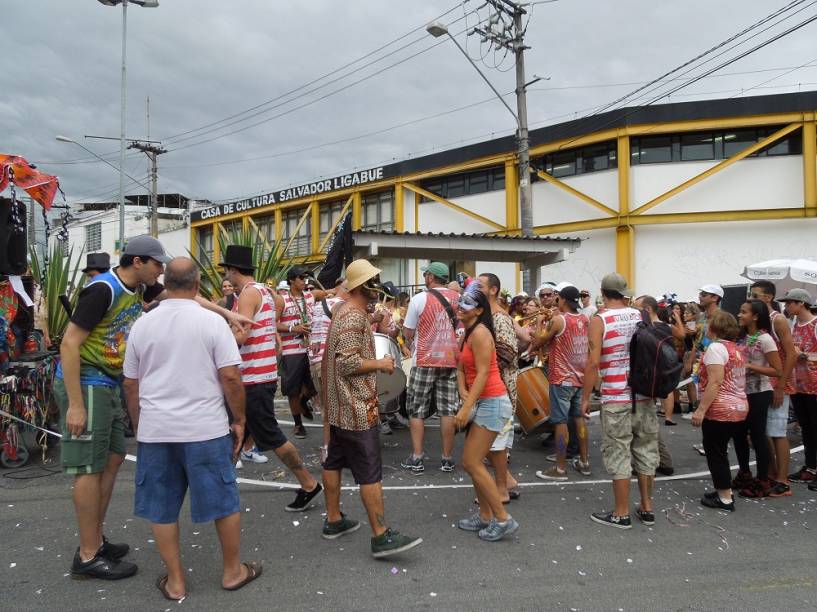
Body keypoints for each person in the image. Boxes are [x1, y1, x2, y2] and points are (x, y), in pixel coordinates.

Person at [122, 258, 261, 601]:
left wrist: (140, 425)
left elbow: (130, 383)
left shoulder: (143, 325)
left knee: (161, 507)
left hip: (157, 429)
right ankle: (232, 571)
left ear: (166, 284)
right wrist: (239, 420)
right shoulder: (212, 323)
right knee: (223, 501)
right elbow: (231, 377)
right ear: (198, 285)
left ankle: (175, 581)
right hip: (205, 429)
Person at [55, 236, 169, 580]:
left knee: (114, 457)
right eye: (157, 264)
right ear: (138, 262)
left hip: (107, 383)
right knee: (89, 467)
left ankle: (95, 538)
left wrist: (227, 314)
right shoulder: (103, 289)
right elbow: (69, 343)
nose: (161, 270)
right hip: (86, 383)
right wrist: (76, 405)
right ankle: (88, 555)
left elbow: (184, 295)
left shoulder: (140, 287)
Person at [321, 259, 422, 558]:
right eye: (373, 282)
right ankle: (380, 536)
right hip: (355, 407)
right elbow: (346, 363)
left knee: (333, 462)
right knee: (369, 473)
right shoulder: (353, 316)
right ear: (362, 286)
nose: (377, 287)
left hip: (339, 406)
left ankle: (334, 520)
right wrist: (381, 363)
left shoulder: (344, 311)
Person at [221, 246, 323, 511]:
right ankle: (221, 485)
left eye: (226, 271)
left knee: (271, 436)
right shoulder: (265, 291)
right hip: (261, 374)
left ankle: (309, 484)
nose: (225, 276)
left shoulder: (248, 294)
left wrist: (216, 335)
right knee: (235, 432)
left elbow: (241, 335)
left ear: (233, 269)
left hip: (253, 377)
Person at [582, 273, 657, 529]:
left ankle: (621, 512)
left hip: (616, 395)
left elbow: (593, 363)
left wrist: (585, 397)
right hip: (643, 393)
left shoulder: (600, 319)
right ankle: (647, 507)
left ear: (603, 293)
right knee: (645, 449)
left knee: (618, 452)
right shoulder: (640, 315)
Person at [454, 282, 518, 541]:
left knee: (471, 462)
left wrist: (466, 408)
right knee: (474, 462)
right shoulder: (467, 333)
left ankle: (503, 519)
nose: (460, 306)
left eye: (467, 303)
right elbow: (461, 368)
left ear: (479, 310)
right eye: (460, 301)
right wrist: (462, 391)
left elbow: (482, 374)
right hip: (482, 402)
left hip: (492, 402)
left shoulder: (480, 333)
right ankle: (484, 515)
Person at [401, 262, 460, 473]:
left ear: (431, 277)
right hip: (450, 360)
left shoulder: (420, 299)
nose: (425, 277)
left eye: (426, 274)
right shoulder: (458, 299)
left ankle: (417, 457)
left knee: (416, 410)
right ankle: (447, 459)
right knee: (448, 410)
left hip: (424, 360)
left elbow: (408, 332)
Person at [691, 311, 748, 512]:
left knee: (716, 452)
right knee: (720, 450)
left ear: (714, 327)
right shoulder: (735, 348)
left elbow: (715, 381)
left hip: (722, 407)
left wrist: (701, 410)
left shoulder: (716, 348)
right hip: (738, 404)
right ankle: (724, 490)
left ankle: (724, 498)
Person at [534, 286, 590, 481]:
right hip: (580, 377)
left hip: (561, 378)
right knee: (579, 419)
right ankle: (584, 462)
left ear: (563, 300)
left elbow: (538, 342)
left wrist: (539, 322)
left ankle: (559, 468)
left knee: (560, 422)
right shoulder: (585, 319)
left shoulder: (559, 320)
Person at [749, 281, 798, 496]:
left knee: (777, 431)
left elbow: (791, 353)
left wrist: (781, 386)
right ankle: (771, 473)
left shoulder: (777, 319)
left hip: (778, 383)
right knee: (763, 432)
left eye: (755, 295)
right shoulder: (760, 320)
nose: (751, 299)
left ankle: (782, 480)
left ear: (768, 297)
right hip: (762, 384)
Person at [733, 300, 782, 498]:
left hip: (759, 393)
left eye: (744, 312)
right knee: (738, 434)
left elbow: (777, 370)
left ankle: (763, 479)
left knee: (757, 435)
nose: (739, 315)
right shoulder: (742, 337)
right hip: (740, 392)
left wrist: (750, 367)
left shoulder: (765, 339)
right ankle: (744, 472)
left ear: (755, 316)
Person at [478, 272, 520, 502]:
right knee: (492, 443)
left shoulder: (500, 318)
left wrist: (482, 372)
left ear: (493, 290)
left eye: (480, 286)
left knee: (494, 442)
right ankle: (507, 482)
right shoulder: (488, 316)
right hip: (491, 388)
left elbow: (507, 352)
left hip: (498, 389)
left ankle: (501, 488)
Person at [275, 266, 328, 438]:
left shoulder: (310, 295)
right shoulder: (282, 299)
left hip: (311, 349)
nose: (304, 281)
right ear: (291, 280)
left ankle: (304, 403)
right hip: (291, 351)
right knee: (293, 390)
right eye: (300, 278)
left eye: (305, 278)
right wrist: (293, 328)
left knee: (314, 388)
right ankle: (298, 424)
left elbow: (330, 293)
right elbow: (273, 323)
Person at [779, 288, 817, 487]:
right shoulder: (793, 324)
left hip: (814, 385)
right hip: (798, 385)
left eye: (789, 302)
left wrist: (802, 354)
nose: (786, 306)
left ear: (801, 303)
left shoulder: (815, 324)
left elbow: (805, 354)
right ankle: (811, 467)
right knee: (807, 429)